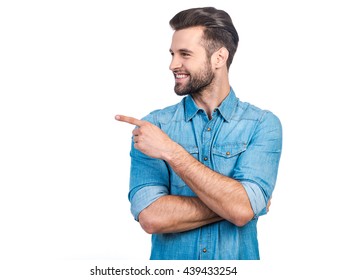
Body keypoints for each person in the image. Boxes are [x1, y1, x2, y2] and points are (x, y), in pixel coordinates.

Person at [115, 7, 282, 260]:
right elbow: (151, 217)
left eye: (185, 54)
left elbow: (242, 209)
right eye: (172, 54)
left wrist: (171, 151)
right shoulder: (152, 127)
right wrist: (240, 205)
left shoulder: (262, 124)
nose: (173, 64)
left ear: (219, 58)